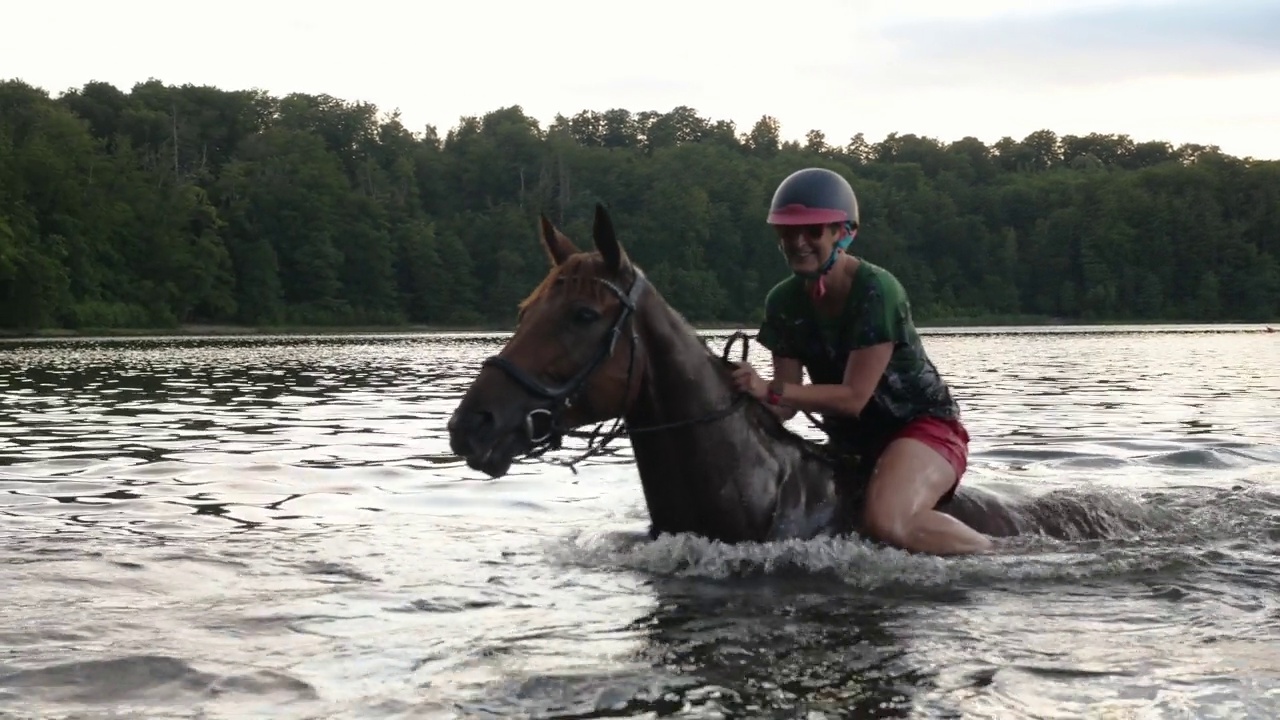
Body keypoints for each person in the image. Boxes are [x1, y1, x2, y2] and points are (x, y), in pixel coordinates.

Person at [730, 167, 993, 556]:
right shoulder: (782, 302)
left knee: (886, 521)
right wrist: (739, 391)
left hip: (923, 428)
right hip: (851, 442)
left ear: (842, 232)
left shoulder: (876, 291)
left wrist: (771, 390)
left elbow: (854, 397)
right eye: (788, 232)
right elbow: (784, 405)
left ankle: (999, 558)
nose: (798, 242)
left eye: (813, 231)